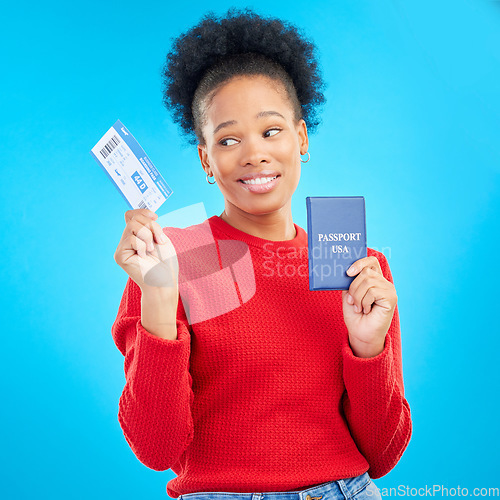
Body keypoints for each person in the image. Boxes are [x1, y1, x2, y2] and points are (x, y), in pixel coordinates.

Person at [112, 8, 412, 500]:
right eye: (228, 139)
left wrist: (368, 349)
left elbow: (382, 454)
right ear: (207, 159)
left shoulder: (356, 266)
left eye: (271, 131)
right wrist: (160, 301)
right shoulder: (176, 257)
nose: (253, 153)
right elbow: (156, 450)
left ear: (301, 137)